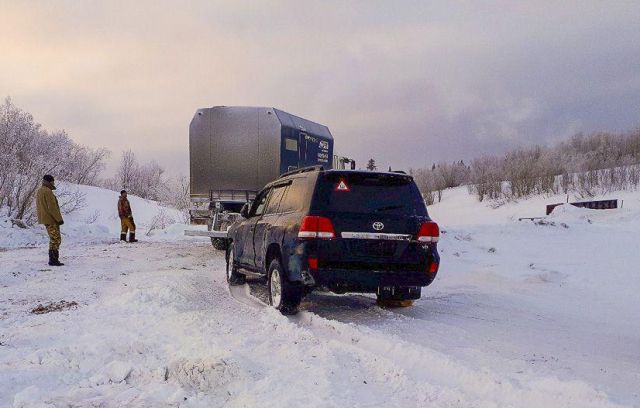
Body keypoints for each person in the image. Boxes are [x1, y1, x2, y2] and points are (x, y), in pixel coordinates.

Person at [36, 175, 64, 266]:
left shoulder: (40, 190)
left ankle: (53, 259)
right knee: (56, 239)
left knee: (53, 238)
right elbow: (52, 207)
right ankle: (53, 260)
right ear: (50, 182)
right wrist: (59, 219)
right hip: (51, 219)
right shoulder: (48, 191)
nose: (54, 183)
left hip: (45, 218)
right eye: (53, 181)